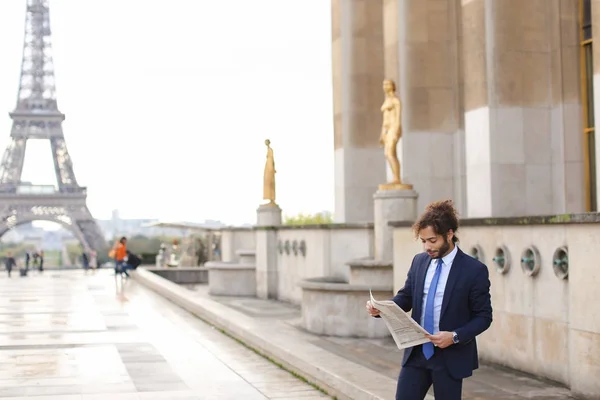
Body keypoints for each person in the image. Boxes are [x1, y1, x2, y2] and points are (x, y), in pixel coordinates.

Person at [366, 200, 492, 400]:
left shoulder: (474, 270)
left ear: (449, 234)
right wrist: (382, 308)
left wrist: (454, 336)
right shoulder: (419, 261)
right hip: (416, 353)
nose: (427, 247)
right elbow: (406, 297)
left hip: (449, 357)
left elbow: (484, 317)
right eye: (423, 241)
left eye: (432, 240)